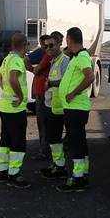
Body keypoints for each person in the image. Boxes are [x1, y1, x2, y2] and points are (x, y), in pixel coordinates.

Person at [56, 27, 96, 193]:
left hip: (76, 107)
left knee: (76, 143)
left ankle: (78, 179)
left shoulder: (82, 57)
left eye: (67, 39)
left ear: (70, 39)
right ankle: (83, 174)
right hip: (73, 107)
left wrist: (73, 92)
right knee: (79, 141)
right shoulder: (77, 56)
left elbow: (90, 76)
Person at [0, 32, 31, 188]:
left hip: (5, 105)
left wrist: (7, 91)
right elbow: (12, 78)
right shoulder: (17, 60)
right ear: (25, 45)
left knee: (6, 139)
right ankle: (14, 175)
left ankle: (2, 171)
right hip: (15, 108)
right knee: (18, 141)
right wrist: (19, 95)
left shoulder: (7, 59)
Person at [40, 31, 70, 179]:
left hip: (59, 108)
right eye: (46, 46)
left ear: (59, 44)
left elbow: (67, 82)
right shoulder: (54, 61)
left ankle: (60, 167)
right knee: (53, 138)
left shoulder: (64, 61)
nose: (48, 49)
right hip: (50, 105)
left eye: (51, 45)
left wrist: (50, 83)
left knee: (55, 138)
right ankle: (57, 164)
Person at [27, 34, 53, 161]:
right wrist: (35, 71)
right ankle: (47, 149)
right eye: (46, 45)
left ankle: (45, 150)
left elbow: (30, 64)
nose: (47, 48)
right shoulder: (47, 53)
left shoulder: (47, 54)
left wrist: (35, 71)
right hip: (43, 93)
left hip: (45, 94)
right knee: (46, 124)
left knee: (44, 123)